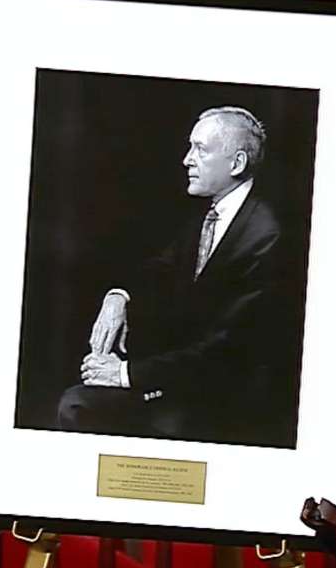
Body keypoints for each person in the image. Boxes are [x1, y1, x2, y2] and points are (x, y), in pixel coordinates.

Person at [55, 106, 299, 448]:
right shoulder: (210, 216)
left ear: (237, 164)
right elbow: (159, 269)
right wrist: (118, 296)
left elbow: (227, 351)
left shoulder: (267, 235)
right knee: (77, 402)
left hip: (228, 405)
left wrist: (124, 374)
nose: (187, 159)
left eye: (200, 149)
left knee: (79, 406)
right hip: (186, 385)